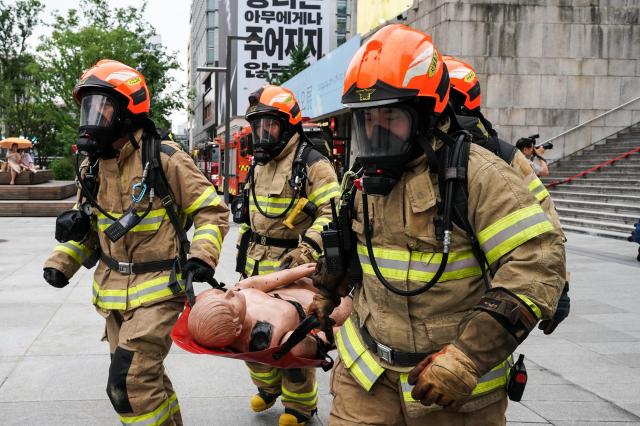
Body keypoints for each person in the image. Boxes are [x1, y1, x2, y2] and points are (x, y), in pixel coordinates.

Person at [309, 24, 566, 425]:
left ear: (427, 114)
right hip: (366, 376)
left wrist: (467, 357)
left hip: (452, 391)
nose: (375, 131)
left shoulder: (479, 175)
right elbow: (345, 247)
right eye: (366, 119)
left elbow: (536, 266)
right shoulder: (358, 180)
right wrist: (323, 297)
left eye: (389, 116)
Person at [42, 59, 230, 425]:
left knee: (126, 384)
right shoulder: (91, 166)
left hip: (160, 290)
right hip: (112, 292)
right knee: (147, 379)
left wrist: (203, 256)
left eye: (102, 106)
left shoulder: (164, 158)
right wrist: (60, 261)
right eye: (88, 106)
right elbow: (91, 228)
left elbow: (212, 210)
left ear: (128, 110)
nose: (91, 117)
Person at [235, 84, 341, 426]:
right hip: (256, 267)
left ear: (289, 124)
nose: (262, 134)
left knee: (293, 342)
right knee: (249, 336)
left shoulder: (314, 164)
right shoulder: (259, 164)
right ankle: (267, 388)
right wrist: (240, 259)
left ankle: (300, 406)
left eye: (270, 126)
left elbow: (332, 212)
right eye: (258, 126)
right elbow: (251, 217)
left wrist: (307, 249)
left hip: (295, 271)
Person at [444, 55, 569, 335]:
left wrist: (560, 284)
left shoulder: (502, 154)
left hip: (483, 307)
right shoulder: (415, 152)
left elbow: (545, 221)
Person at [188, 265, 352, 357]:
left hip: (299, 290)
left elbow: (264, 282)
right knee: (344, 309)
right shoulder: (267, 340)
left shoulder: (238, 294)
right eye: (229, 303)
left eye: (222, 295)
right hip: (321, 314)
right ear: (237, 328)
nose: (229, 293)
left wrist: (300, 270)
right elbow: (321, 340)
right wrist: (347, 332)